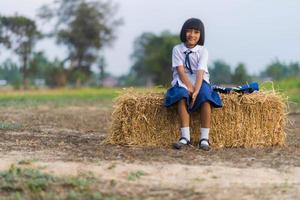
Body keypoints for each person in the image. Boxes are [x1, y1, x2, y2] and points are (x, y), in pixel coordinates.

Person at [164, 18, 223, 151]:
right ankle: (185, 137)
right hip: (182, 80)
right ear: (184, 32)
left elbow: (200, 72)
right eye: (189, 31)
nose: (192, 35)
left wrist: (196, 91)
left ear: (200, 35)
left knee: (205, 97)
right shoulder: (177, 49)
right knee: (181, 95)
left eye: (196, 32)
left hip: (200, 80)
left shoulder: (203, 51)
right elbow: (180, 71)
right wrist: (189, 89)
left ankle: (204, 138)